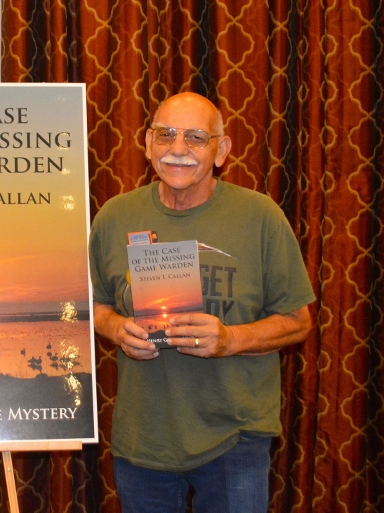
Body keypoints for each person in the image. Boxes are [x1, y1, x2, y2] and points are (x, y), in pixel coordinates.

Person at [89, 92, 315, 513]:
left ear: (221, 150)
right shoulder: (114, 218)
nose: (178, 149)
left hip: (234, 440)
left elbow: (298, 321)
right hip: (144, 441)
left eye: (195, 137)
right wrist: (117, 328)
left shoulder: (260, 217)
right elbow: (94, 306)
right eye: (166, 135)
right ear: (146, 142)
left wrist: (229, 339)